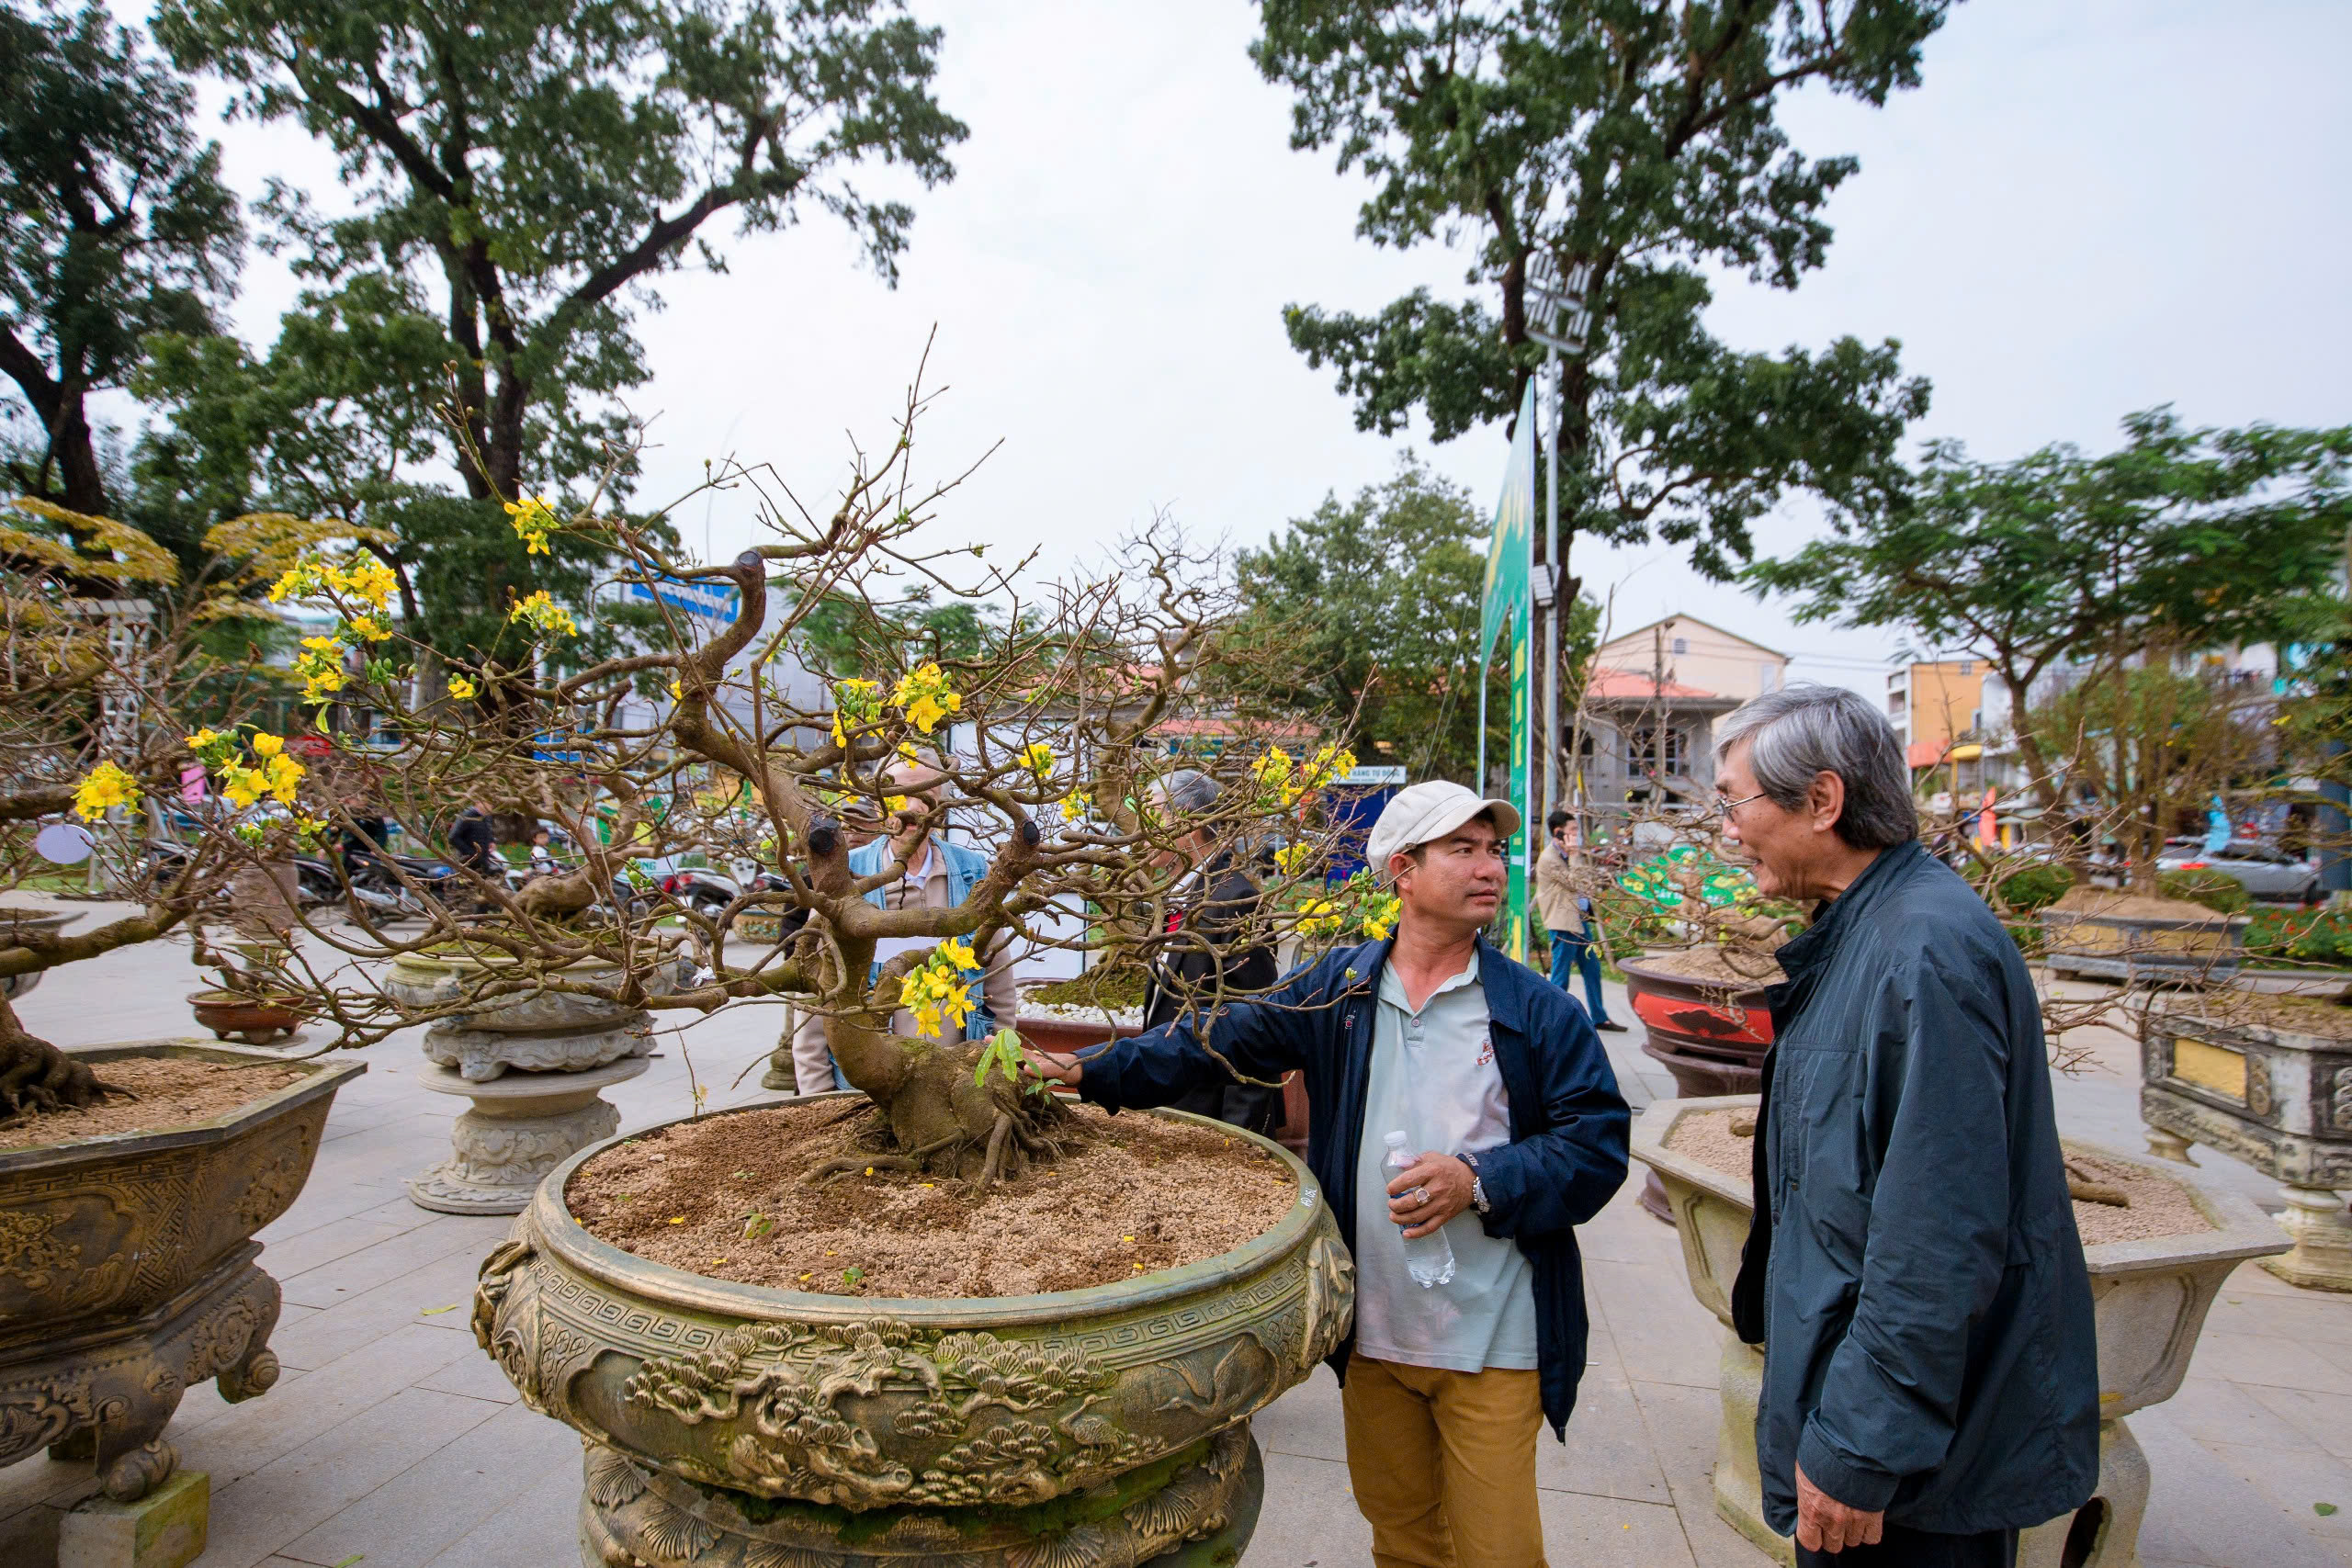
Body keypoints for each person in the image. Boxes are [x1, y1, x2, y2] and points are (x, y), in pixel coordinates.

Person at [1025, 780, 1629, 1568]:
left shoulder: (1537, 1009)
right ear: (1403, 872)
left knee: (1500, 1552)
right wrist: (1086, 1069)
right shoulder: (1342, 989)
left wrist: (1478, 1177)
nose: (1489, 867)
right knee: (1403, 1540)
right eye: (1463, 849)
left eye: (1494, 850)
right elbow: (1214, 1037)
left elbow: (1598, 1144)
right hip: (1377, 1332)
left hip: (1493, 1339)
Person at [1714, 686, 2097, 1566]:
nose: (1729, 829)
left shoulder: (1923, 949)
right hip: (1885, 1431)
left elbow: (1938, 1236)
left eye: (1737, 801)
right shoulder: (1867, 930)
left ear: (1822, 799)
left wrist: (1861, 1444)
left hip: (1915, 1472)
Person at [790, 764, 1019, 1094]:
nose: (913, 808)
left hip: (959, 1082)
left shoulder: (972, 871)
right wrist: (818, 1094)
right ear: (879, 801)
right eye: (899, 794)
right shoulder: (845, 875)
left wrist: (998, 1064)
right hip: (867, 1085)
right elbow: (815, 990)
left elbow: (999, 980)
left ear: (942, 805)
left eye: (925, 795)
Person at [1139, 769, 1281, 1134]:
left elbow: (1256, 1025)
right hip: (1176, 1102)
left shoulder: (1236, 899)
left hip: (1215, 1118)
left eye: (1153, 812)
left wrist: (1241, 1136)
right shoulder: (1176, 894)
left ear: (1189, 822)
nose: (1142, 826)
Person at [1533, 809, 1624, 1032]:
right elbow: (1575, 881)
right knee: (1561, 975)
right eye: (1573, 829)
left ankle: (1599, 1017)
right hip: (1562, 923)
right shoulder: (1549, 858)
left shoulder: (1566, 854)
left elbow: (1586, 879)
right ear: (1558, 832)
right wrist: (1575, 855)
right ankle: (1552, 1022)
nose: (1577, 833)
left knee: (1592, 968)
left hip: (1580, 921)